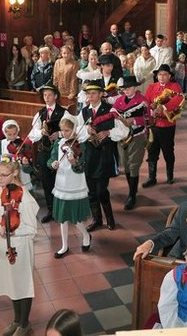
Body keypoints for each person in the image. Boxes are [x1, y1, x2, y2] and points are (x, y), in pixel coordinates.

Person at [0, 156, 39, 336]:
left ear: (15, 172)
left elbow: (32, 229)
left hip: (19, 246)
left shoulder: (25, 197)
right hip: (1, 242)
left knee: (22, 283)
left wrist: (13, 231)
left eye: (4, 175)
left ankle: (24, 323)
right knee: (12, 283)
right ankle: (16, 320)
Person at [76, 80, 129, 231]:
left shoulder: (110, 110)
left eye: (94, 93)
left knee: (101, 191)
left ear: (100, 94)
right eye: (88, 94)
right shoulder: (84, 112)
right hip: (89, 156)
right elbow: (76, 132)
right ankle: (97, 219)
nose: (90, 96)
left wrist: (109, 132)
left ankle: (110, 218)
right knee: (91, 191)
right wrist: (86, 130)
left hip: (104, 155)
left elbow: (125, 131)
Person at [47, 116, 92, 258]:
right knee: (63, 217)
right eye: (62, 130)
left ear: (74, 129)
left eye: (67, 130)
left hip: (75, 183)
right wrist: (53, 164)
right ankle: (64, 246)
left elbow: (82, 168)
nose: (64, 133)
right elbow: (51, 159)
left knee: (76, 217)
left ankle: (86, 235)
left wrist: (74, 163)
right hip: (61, 183)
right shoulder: (58, 143)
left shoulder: (80, 144)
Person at [28, 85, 71, 223]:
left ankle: (63, 210)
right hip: (45, 151)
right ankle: (51, 211)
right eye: (45, 95)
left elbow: (72, 130)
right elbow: (32, 134)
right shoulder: (40, 113)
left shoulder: (64, 113)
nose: (46, 97)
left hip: (60, 152)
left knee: (61, 181)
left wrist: (59, 133)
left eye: (49, 95)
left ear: (56, 96)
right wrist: (41, 132)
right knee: (47, 182)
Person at [142, 64, 184, 187]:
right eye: (160, 74)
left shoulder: (174, 86)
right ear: (156, 76)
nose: (162, 77)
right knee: (152, 151)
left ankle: (170, 176)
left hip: (167, 125)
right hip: (153, 125)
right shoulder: (151, 87)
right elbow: (146, 101)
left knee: (168, 151)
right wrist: (150, 109)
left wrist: (163, 107)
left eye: (165, 74)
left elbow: (178, 100)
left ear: (170, 76)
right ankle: (152, 178)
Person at [111, 76, 149, 209]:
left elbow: (148, 118)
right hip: (122, 136)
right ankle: (132, 188)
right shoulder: (119, 100)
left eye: (128, 88)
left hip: (137, 136)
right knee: (125, 164)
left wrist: (134, 120)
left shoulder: (142, 100)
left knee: (134, 165)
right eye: (124, 88)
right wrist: (118, 119)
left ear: (135, 87)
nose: (126, 90)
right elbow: (113, 112)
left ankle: (132, 195)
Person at [0, 120, 34, 192]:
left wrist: (26, 164)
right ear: (4, 132)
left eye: (14, 134)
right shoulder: (2, 143)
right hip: (6, 174)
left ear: (18, 131)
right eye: (9, 134)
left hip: (21, 175)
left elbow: (29, 168)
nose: (12, 137)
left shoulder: (23, 143)